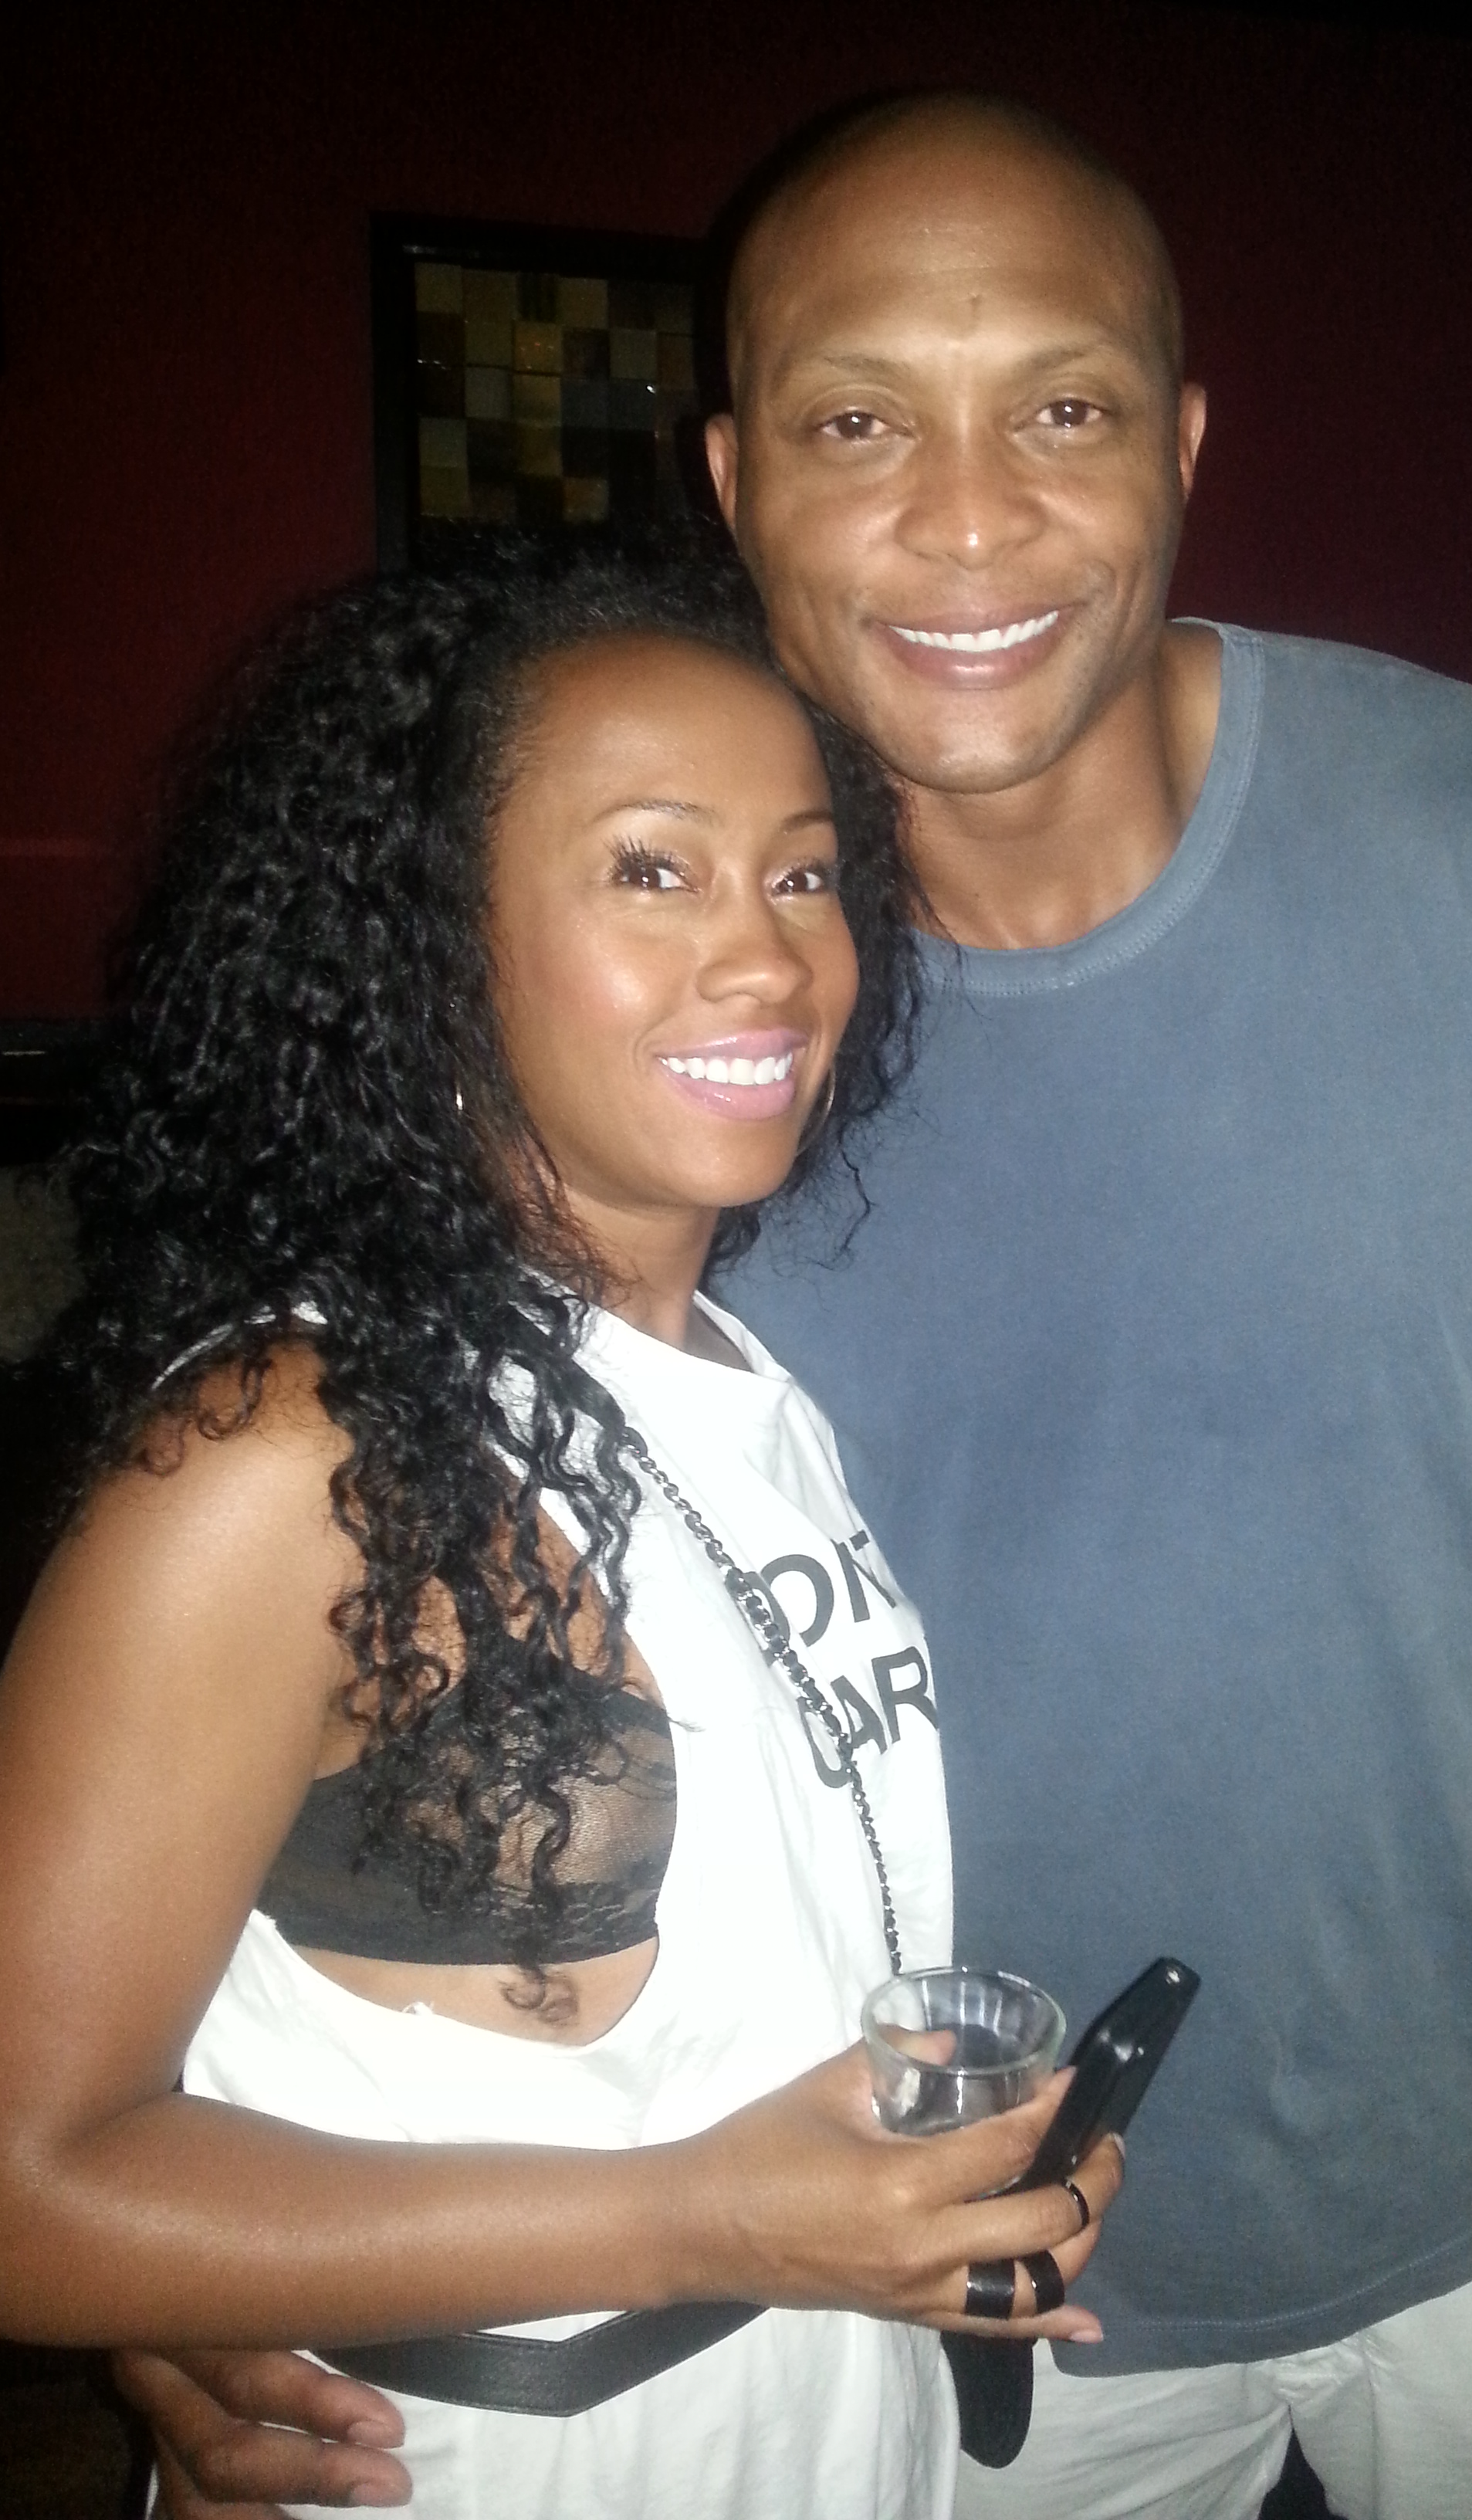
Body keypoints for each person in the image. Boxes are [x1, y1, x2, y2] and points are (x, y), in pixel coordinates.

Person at [118, 94, 1472, 2520]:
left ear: (1181, 442)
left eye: (1060, 406)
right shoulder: (641, 1009)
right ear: (734, 475)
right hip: (898, 2241)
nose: (969, 517)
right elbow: (304, 1578)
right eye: (862, 423)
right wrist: (186, 2217)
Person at [0, 534, 1122, 2520]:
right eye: (650, 871)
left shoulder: (746, 1389)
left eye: (802, 874)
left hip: (828, 2426)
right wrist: (709, 2221)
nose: (768, 955)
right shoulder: (286, 1462)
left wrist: (917, 2190)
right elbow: (26, 2188)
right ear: (437, 943)